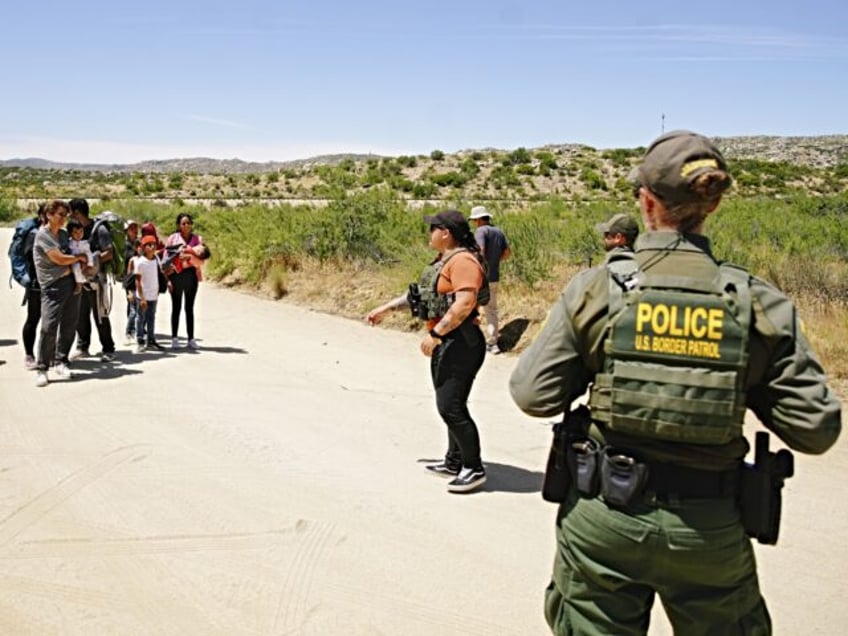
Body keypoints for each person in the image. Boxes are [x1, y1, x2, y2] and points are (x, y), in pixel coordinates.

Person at [509, 130, 842, 634]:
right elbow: (815, 428)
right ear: (714, 204)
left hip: (605, 518)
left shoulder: (599, 288)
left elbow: (533, 394)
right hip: (709, 528)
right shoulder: (755, 302)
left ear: (645, 202)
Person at [366, 209, 488, 493]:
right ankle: (454, 460)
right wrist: (385, 309)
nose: (429, 233)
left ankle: (474, 467)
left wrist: (436, 334)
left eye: (433, 228)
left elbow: (464, 304)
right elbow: (420, 296)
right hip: (450, 340)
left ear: (446, 233)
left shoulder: (464, 261)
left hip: (462, 342)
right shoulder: (443, 261)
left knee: (450, 406)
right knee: (450, 403)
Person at [32, 200, 88, 387]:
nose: (64, 218)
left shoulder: (64, 235)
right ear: (49, 214)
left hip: (71, 283)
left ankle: (61, 360)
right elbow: (60, 258)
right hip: (53, 286)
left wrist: (80, 266)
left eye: (66, 215)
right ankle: (42, 367)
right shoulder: (43, 236)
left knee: (69, 324)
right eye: (60, 214)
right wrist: (78, 258)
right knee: (49, 327)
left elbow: (73, 254)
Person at [68, 198, 116, 362]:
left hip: (97, 281)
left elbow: (109, 252)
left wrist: (91, 263)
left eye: (70, 213)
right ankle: (82, 347)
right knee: (80, 316)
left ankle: (108, 348)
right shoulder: (76, 229)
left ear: (76, 213)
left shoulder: (99, 229)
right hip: (81, 281)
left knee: (100, 315)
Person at [469, 205, 510, 354]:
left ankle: (471, 341)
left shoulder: (481, 231)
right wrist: (494, 261)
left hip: (480, 277)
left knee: (471, 308)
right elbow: (507, 253)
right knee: (491, 310)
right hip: (494, 277)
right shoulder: (499, 232)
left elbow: (480, 251)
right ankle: (493, 343)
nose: (474, 223)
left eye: (474, 220)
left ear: (479, 219)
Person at [21, 204, 47, 370]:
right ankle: (29, 354)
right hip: (37, 284)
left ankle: (46, 355)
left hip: (51, 284)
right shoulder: (34, 234)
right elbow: (30, 257)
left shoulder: (56, 233)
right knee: (33, 318)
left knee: (50, 322)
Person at [133, 235, 168, 352]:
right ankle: (140, 341)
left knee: (151, 318)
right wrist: (142, 298)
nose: (152, 247)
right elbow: (137, 281)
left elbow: (158, 274)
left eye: (153, 244)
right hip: (143, 297)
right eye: (149, 245)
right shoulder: (140, 262)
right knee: (140, 319)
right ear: (143, 247)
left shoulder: (156, 259)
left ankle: (151, 341)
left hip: (153, 295)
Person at [66, 218, 94, 294]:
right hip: (74, 261)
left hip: (85, 262)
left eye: (81, 231)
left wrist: (89, 264)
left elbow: (89, 254)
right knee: (76, 267)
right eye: (75, 232)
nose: (79, 234)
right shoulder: (69, 243)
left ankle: (85, 282)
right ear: (70, 233)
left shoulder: (85, 243)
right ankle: (79, 283)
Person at [123, 220, 140, 344]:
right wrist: (128, 289)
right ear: (126, 231)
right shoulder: (125, 246)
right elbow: (126, 270)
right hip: (130, 282)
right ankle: (130, 331)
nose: (134, 229)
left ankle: (137, 329)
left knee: (137, 306)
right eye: (131, 228)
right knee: (132, 306)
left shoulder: (139, 244)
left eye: (135, 227)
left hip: (140, 280)